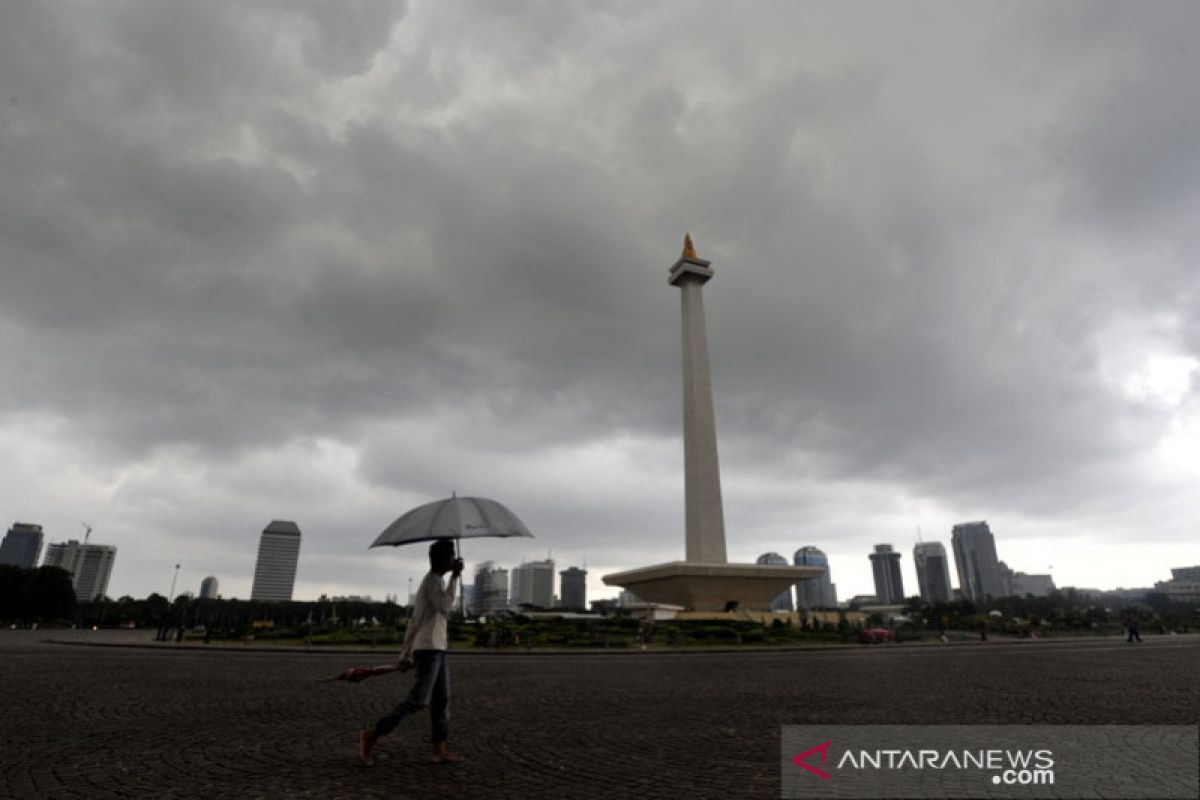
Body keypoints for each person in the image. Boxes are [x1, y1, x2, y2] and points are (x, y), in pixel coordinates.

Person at [357, 538, 465, 767]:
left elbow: (419, 620)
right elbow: (445, 606)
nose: (454, 559)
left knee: (441, 701)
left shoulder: (436, 580)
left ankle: (439, 750)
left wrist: (405, 653)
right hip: (428, 650)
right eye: (451, 556)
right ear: (443, 560)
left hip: (437, 648)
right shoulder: (432, 582)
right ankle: (371, 735)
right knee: (418, 701)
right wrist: (455, 577)